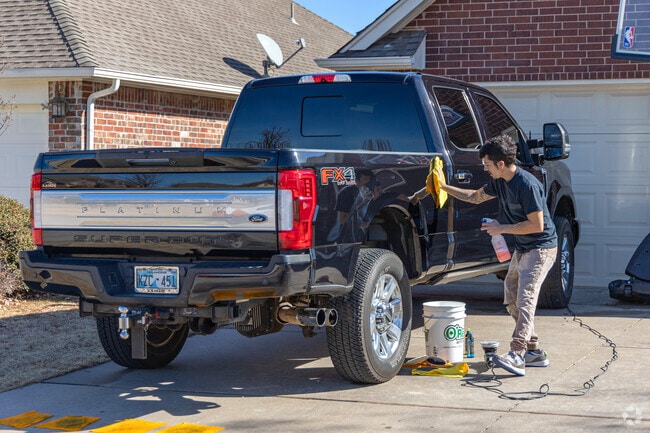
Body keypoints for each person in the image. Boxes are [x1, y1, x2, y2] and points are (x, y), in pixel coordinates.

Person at [433, 135, 558, 376]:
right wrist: (442, 187)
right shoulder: (500, 182)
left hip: (541, 248)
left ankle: (517, 353)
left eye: (487, 164)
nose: (484, 168)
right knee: (511, 299)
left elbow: (537, 225)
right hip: (523, 247)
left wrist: (501, 229)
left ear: (501, 164)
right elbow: (474, 197)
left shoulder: (526, 185)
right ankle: (534, 351)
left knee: (525, 299)